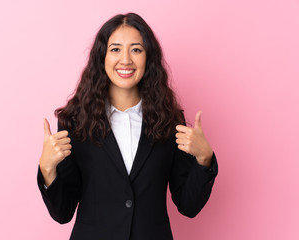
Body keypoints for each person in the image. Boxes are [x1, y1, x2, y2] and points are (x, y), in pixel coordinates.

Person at [37, 12, 218, 240]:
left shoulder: (170, 122)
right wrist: (47, 170)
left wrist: (204, 160)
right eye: (115, 49)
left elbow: (188, 205)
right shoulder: (75, 122)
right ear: (101, 57)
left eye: (136, 49)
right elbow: (62, 213)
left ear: (148, 58)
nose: (125, 60)